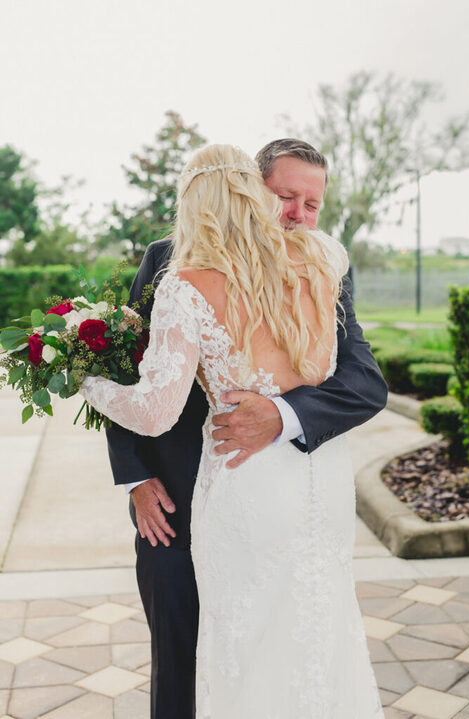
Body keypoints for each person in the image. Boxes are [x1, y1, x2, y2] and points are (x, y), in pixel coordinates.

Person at [82, 143, 386, 719]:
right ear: (252, 186)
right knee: (191, 658)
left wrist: (282, 416)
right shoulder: (167, 259)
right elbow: (129, 365)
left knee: (264, 649)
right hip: (173, 500)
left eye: (312, 204)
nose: (298, 215)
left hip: (265, 488)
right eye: (286, 197)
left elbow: (364, 382)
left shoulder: (320, 263)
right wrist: (135, 478)